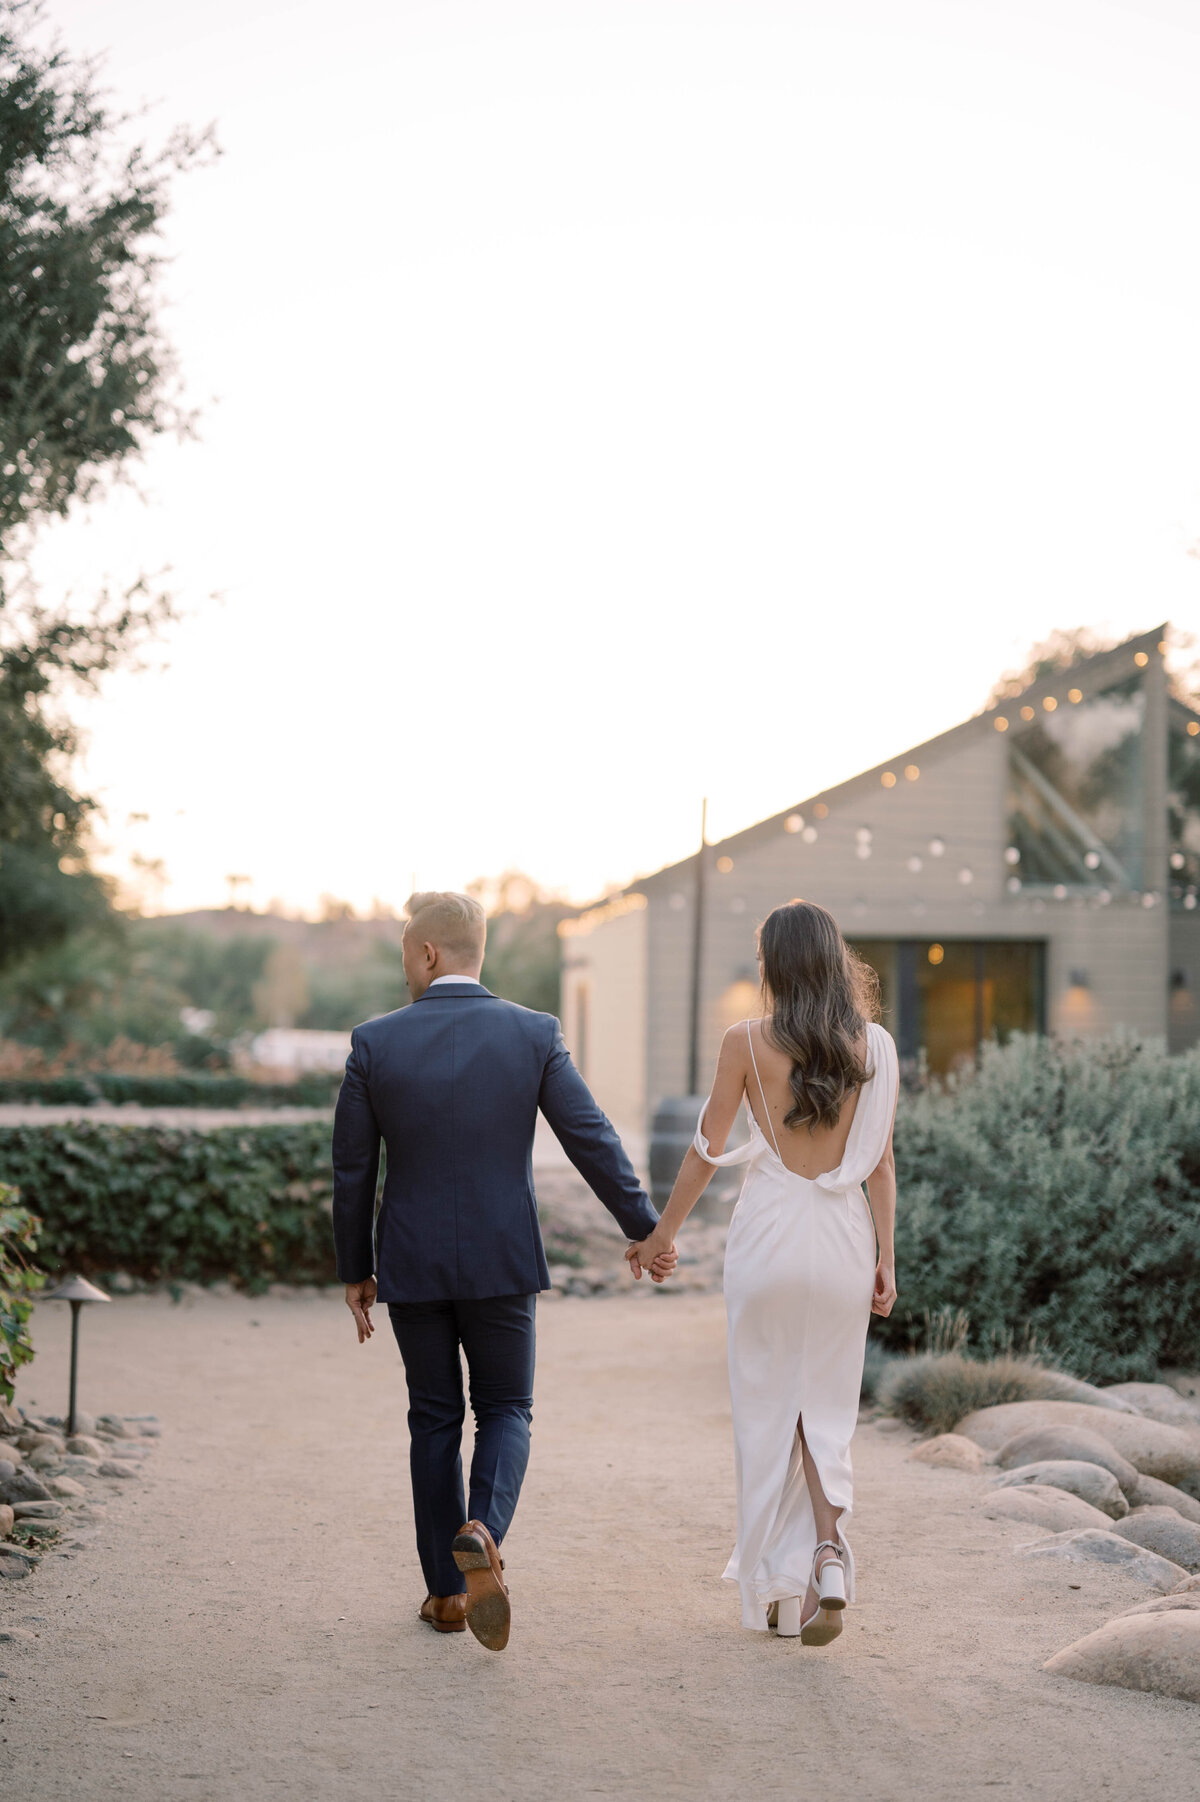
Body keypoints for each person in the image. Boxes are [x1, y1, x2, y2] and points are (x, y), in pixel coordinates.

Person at [332, 890, 674, 1653]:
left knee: (434, 1418)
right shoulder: (533, 1033)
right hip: (501, 1258)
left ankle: (447, 1597)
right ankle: (482, 1530)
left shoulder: (373, 1043)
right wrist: (646, 1230)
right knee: (507, 1411)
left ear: (426, 954)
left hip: (412, 1263)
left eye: (403, 956)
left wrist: (356, 1268)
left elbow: (352, 1171)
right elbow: (591, 1139)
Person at [628, 898, 898, 1644]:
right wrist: (887, 1262)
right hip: (844, 1245)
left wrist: (661, 1236)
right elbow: (880, 1167)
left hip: (770, 1242)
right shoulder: (875, 1046)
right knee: (826, 1410)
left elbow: (705, 1152)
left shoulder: (745, 1042)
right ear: (836, 960)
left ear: (773, 966)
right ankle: (826, 1552)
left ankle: (781, 1593)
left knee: (770, 1412)